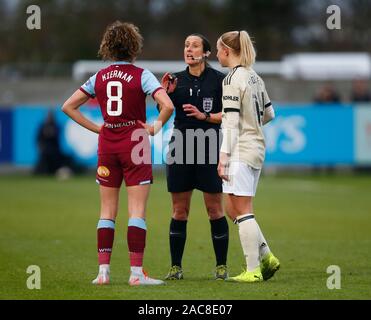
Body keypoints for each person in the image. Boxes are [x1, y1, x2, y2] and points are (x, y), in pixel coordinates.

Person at [62, 21, 174, 286]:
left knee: (106, 211)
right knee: (136, 210)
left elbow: (68, 106)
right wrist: (155, 127)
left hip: (108, 144)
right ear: (134, 46)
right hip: (134, 143)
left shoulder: (98, 77)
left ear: (108, 48)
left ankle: (103, 273)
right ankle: (136, 275)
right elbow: (167, 105)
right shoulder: (142, 75)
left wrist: (97, 129)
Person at [161, 34, 229, 280]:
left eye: (194, 45)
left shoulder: (220, 80)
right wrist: (165, 96)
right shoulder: (174, 80)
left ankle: (221, 267)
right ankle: (175, 267)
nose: (189, 49)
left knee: (214, 210)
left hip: (210, 147)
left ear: (207, 52)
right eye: (186, 45)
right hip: (180, 147)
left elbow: (230, 115)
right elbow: (163, 112)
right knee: (179, 211)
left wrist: (205, 117)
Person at [216, 30, 280, 282]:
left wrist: (223, 157)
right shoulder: (254, 76)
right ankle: (266, 256)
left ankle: (252, 270)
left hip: (241, 150)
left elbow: (230, 122)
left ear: (227, 51)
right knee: (231, 208)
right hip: (256, 147)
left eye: (220, 49)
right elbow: (270, 114)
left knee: (242, 210)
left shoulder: (232, 78)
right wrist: (252, 123)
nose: (218, 54)